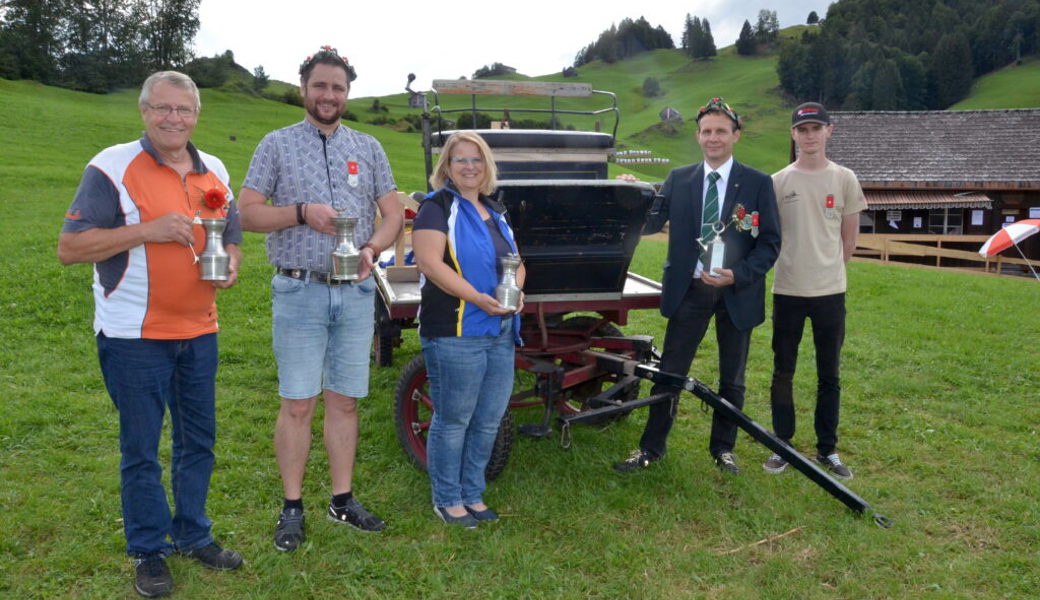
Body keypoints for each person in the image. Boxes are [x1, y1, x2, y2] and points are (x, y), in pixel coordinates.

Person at [57, 71, 243, 598]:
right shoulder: (110, 167)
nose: (173, 119)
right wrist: (148, 230)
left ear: (197, 116)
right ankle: (148, 549)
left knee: (198, 441)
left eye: (183, 110)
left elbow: (231, 234)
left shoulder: (217, 170)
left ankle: (193, 534)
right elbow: (70, 248)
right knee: (141, 447)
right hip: (133, 336)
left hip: (200, 332)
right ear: (144, 111)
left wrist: (230, 262)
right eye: (162, 108)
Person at [238, 45, 403, 551]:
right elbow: (246, 214)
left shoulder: (369, 147)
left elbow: (394, 213)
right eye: (320, 86)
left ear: (347, 93)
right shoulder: (276, 144)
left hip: (354, 293)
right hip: (299, 290)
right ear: (304, 88)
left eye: (338, 87)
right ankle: (292, 508)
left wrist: (375, 246)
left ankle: (341, 500)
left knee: (345, 402)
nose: (329, 95)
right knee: (297, 404)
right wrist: (301, 211)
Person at [614, 97, 781, 475]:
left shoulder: (757, 183)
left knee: (732, 378)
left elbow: (770, 242)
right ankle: (651, 448)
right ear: (698, 136)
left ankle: (724, 449)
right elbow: (652, 223)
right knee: (669, 373)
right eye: (707, 131)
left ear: (735, 135)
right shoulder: (680, 178)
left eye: (721, 131)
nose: (713, 138)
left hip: (736, 293)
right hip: (689, 291)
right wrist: (630, 193)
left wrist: (737, 274)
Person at [412, 131, 524, 528]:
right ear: (447, 167)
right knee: (454, 417)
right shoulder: (435, 207)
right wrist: (478, 298)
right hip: (456, 331)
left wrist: (516, 292)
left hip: (500, 330)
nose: (470, 166)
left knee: (489, 417)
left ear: (487, 166)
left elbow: (516, 261)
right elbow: (430, 264)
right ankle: (447, 498)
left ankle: (473, 492)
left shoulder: (496, 211)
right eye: (460, 160)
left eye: (476, 159)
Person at [763, 102, 866, 480]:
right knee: (783, 371)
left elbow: (849, 240)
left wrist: (828, 271)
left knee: (829, 374)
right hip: (787, 290)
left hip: (830, 292)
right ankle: (782, 443)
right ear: (793, 134)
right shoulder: (778, 181)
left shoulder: (844, 179)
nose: (809, 136)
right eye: (802, 129)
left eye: (816, 128)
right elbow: (768, 235)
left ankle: (827, 449)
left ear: (829, 132)